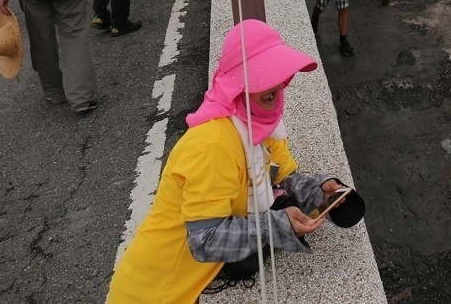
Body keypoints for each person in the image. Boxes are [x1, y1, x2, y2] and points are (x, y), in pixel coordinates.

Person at [109, 20, 353, 302]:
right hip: (154, 293)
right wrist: (276, 226)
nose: (277, 96)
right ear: (235, 88)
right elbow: (206, 240)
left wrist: (319, 189)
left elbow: (272, 176)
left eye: (280, 84)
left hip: (181, 287)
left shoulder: (249, 128)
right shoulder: (215, 146)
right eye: (267, 89)